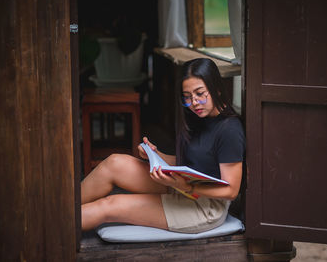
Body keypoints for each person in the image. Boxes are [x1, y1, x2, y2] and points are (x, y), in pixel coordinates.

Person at [81, 58, 245, 233]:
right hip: (185, 187)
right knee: (114, 163)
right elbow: (194, 163)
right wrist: (156, 155)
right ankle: (61, 210)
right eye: (187, 97)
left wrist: (188, 187)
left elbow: (231, 191)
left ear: (217, 89)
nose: (194, 103)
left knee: (109, 205)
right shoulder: (198, 117)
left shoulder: (229, 130)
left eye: (200, 94)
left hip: (205, 207)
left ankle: (55, 229)